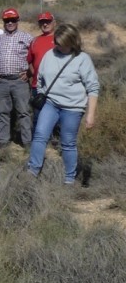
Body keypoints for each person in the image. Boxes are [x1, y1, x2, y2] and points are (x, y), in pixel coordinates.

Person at [27, 24, 99, 184]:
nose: (57, 46)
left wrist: (90, 114)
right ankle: (32, 171)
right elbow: (40, 78)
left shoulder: (83, 59)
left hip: (73, 108)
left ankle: (69, 179)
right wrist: (40, 92)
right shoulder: (49, 55)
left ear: (72, 42)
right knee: (39, 135)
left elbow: (93, 88)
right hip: (51, 104)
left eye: (61, 44)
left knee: (68, 143)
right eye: (56, 43)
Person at [0, 8, 34, 148]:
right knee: (2, 112)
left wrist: (29, 73)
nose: (10, 23)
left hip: (20, 81)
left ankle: (27, 141)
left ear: (17, 21)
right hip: (2, 80)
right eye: (7, 20)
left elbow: (35, 57)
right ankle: (3, 140)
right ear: (3, 22)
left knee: (24, 112)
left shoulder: (27, 38)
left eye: (13, 20)